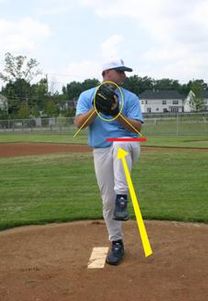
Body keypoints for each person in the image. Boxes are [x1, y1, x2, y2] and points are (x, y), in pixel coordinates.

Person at [74, 58, 143, 265]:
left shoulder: (130, 98)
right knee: (107, 200)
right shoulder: (87, 95)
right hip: (101, 149)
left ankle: (123, 197)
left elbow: (137, 128)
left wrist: (116, 113)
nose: (124, 75)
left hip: (127, 146)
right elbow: (79, 123)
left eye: (124, 72)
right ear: (106, 73)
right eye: (120, 71)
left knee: (119, 143)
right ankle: (117, 242)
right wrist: (97, 107)